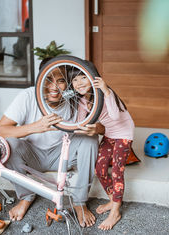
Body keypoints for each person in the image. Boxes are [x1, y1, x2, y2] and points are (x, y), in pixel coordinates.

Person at [0, 58, 104, 227]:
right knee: (8, 144)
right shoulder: (28, 96)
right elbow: (0, 131)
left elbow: (106, 125)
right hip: (32, 154)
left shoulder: (75, 97)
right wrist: (34, 127)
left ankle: (80, 202)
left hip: (63, 155)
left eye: (60, 80)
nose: (54, 87)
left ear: (67, 82)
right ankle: (26, 197)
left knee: (90, 140)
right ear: (40, 79)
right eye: (48, 80)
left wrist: (96, 129)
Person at [69, 64, 135, 230]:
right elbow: (80, 121)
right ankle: (113, 199)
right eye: (74, 80)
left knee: (118, 171)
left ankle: (116, 212)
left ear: (94, 77)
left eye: (83, 77)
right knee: (99, 169)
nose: (79, 82)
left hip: (123, 133)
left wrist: (106, 91)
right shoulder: (83, 100)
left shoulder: (106, 93)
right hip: (109, 134)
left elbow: (114, 116)